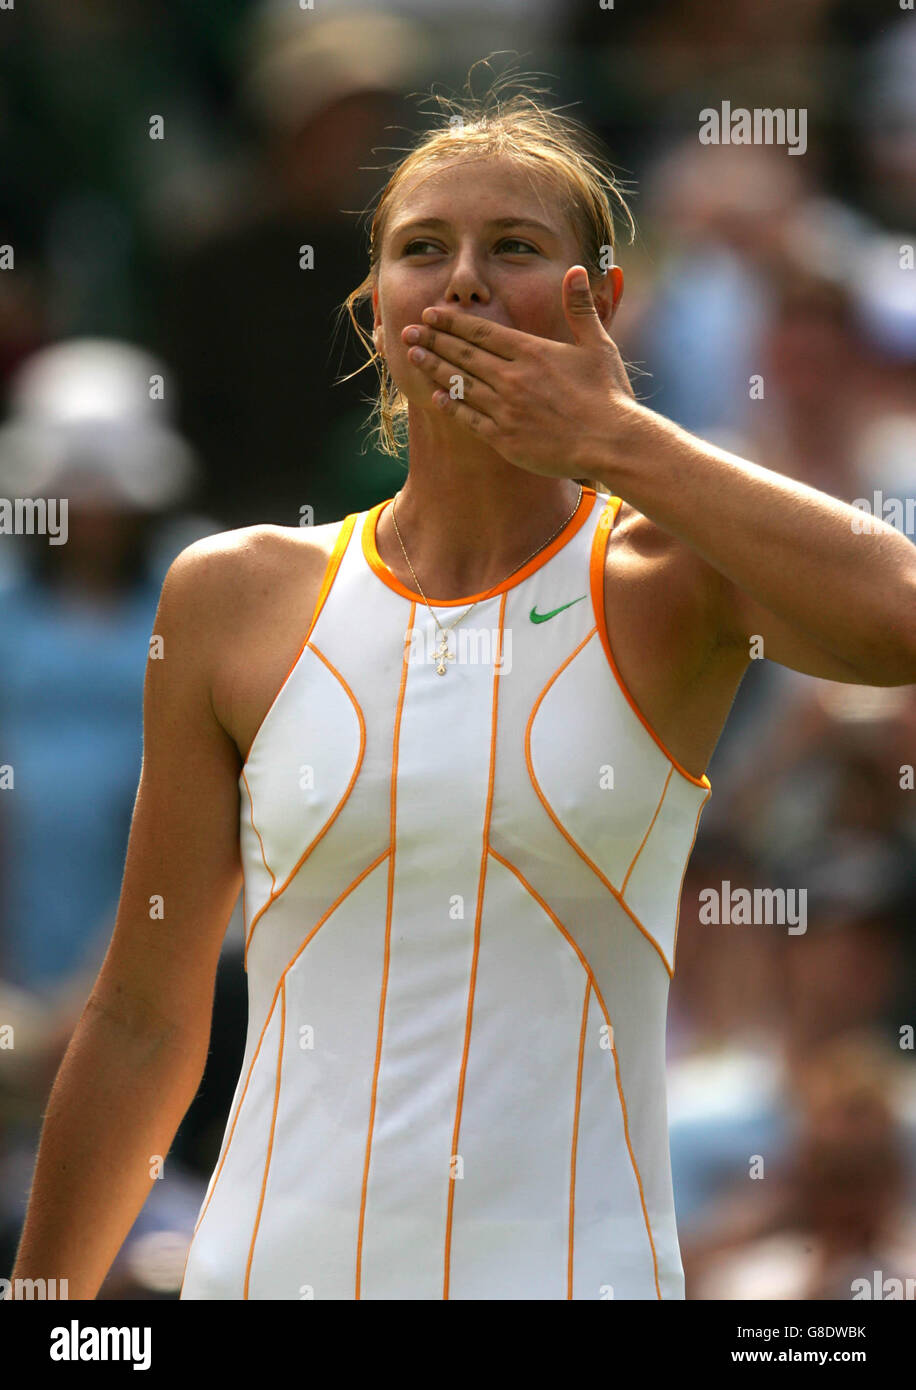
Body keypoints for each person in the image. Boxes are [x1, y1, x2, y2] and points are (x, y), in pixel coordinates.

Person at [9, 77, 916, 1301]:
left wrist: (614, 436)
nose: (466, 279)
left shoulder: (671, 573)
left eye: (517, 248)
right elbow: (139, 1020)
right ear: (375, 310)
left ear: (600, 304)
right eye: (422, 248)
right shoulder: (232, 593)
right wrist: (44, 1311)